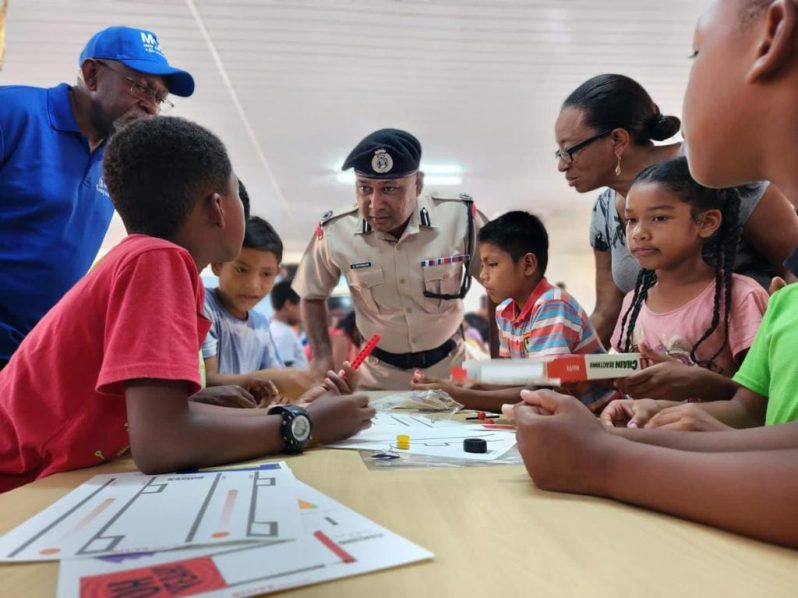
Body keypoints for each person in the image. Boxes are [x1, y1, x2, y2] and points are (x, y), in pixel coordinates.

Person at [512, 0, 798, 548]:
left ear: (774, 35)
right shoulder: (787, 304)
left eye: (695, 53)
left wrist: (601, 459)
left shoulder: (766, 296)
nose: (639, 234)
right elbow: (766, 429)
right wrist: (603, 422)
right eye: (632, 222)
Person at [0, 116, 374, 493]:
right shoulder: (159, 261)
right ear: (217, 208)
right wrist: (304, 423)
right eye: (235, 193)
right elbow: (162, 444)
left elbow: (154, 418)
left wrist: (281, 412)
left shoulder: (144, 259)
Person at [0, 26, 195, 369]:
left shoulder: (118, 161)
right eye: (140, 86)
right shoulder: (13, 113)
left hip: (33, 357)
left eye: (159, 97)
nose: (150, 106)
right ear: (92, 74)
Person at [554, 73, 798, 346]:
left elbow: (793, 259)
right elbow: (607, 310)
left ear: (618, 140)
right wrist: (561, 369)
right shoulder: (603, 210)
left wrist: (779, 340)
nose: (562, 165)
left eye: (569, 150)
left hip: (752, 359)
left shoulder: (713, 170)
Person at [293, 128, 488, 389]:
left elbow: (501, 284)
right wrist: (321, 358)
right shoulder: (335, 231)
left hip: (452, 370)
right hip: (378, 378)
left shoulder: (459, 218)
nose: (375, 203)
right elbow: (311, 292)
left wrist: (501, 358)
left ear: (417, 184)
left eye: (389, 188)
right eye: (365, 188)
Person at [413, 211, 616, 413]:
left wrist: (463, 397)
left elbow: (542, 391)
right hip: (562, 415)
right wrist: (467, 385)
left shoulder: (551, 305)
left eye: (492, 265)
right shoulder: (505, 312)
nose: (483, 275)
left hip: (599, 416)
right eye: (482, 265)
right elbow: (516, 380)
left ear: (527, 265)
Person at [607, 158, 768, 409]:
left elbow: (764, 397)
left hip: (712, 444)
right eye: (631, 220)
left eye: (659, 218)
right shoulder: (633, 301)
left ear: (706, 223)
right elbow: (618, 376)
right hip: (645, 440)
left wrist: (703, 383)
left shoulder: (741, 297)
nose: (638, 233)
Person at [203, 213, 316, 398]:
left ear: (277, 274)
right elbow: (207, 381)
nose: (254, 285)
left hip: (249, 419)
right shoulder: (205, 308)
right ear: (217, 264)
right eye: (241, 269)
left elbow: (279, 386)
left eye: (266, 274)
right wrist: (275, 380)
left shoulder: (260, 323)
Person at [270, 279, 309, 368]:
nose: (304, 311)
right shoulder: (284, 334)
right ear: (289, 305)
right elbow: (286, 375)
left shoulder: (275, 329)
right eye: (301, 305)